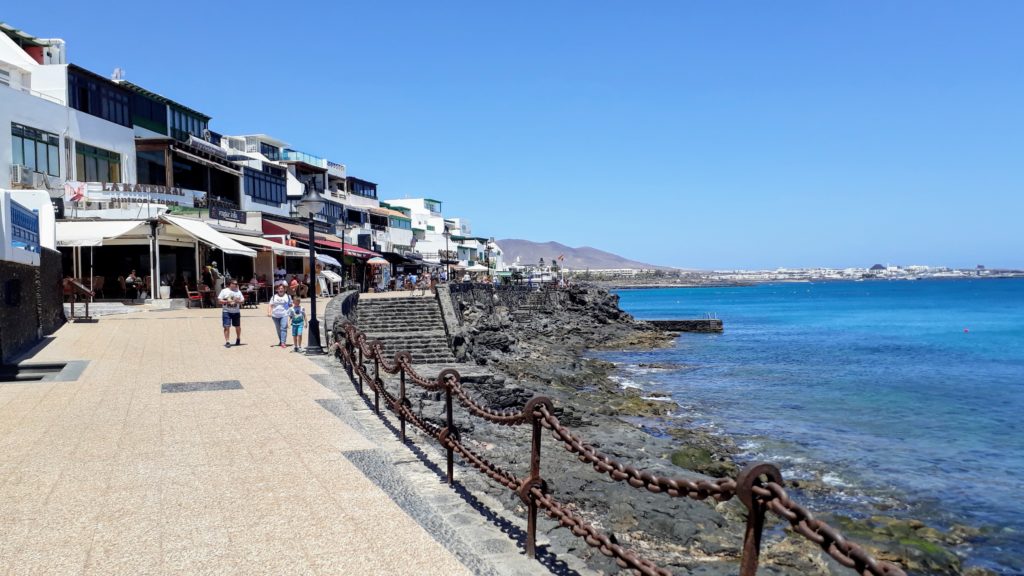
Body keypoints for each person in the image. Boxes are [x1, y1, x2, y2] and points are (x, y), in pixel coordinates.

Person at [218, 279, 244, 348]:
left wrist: (238, 301)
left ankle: (238, 338)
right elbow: (219, 301)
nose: (236, 285)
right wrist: (227, 302)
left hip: (236, 312)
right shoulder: (224, 291)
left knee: (237, 326)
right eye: (235, 284)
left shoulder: (238, 291)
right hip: (226, 311)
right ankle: (227, 341)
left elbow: (242, 300)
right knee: (226, 326)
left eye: (237, 284)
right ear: (230, 284)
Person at [267, 282, 292, 348]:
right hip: (275, 316)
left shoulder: (288, 296)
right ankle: (281, 340)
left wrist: (291, 313)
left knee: (283, 328)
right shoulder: (274, 297)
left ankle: (283, 342)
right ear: (277, 290)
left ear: (284, 289)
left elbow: (290, 305)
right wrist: (269, 312)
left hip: (284, 314)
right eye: (279, 288)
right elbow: (270, 305)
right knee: (278, 329)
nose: (281, 290)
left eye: (282, 288)